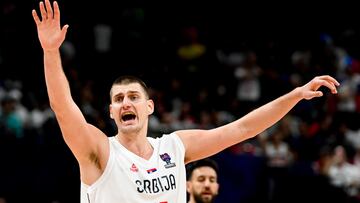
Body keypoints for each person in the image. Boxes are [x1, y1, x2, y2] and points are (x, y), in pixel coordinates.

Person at [32, 1, 340, 202]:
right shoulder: (99, 151)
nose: (126, 103)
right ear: (111, 111)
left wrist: (296, 94)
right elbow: (63, 107)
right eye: (119, 99)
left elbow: (243, 129)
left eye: (134, 97)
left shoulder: (175, 147)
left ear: (149, 106)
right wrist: (50, 52)